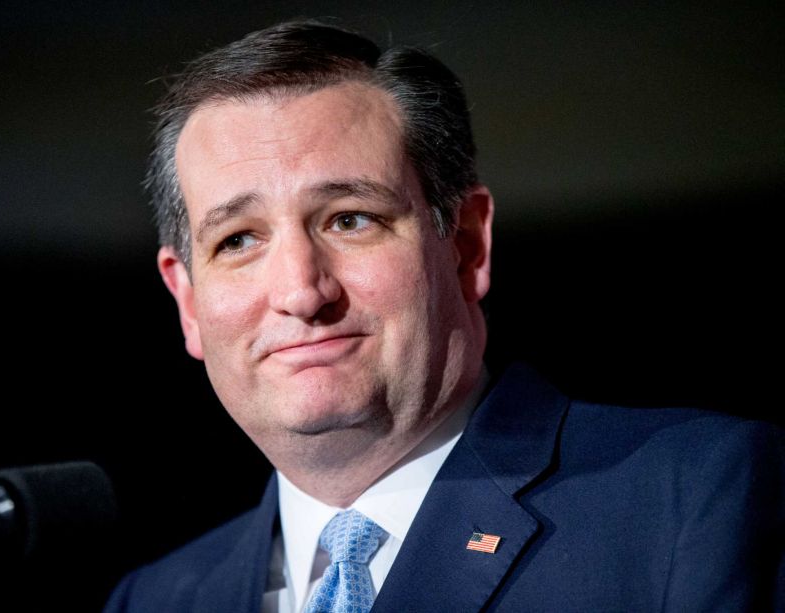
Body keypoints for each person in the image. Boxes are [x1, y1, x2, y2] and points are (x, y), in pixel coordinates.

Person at [105, 20, 783, 613]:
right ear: (188, 302)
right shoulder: (153, 598)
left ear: (465, 246)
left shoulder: (690, 501)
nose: (302, 292)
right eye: (239, 240)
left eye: (349, 219)